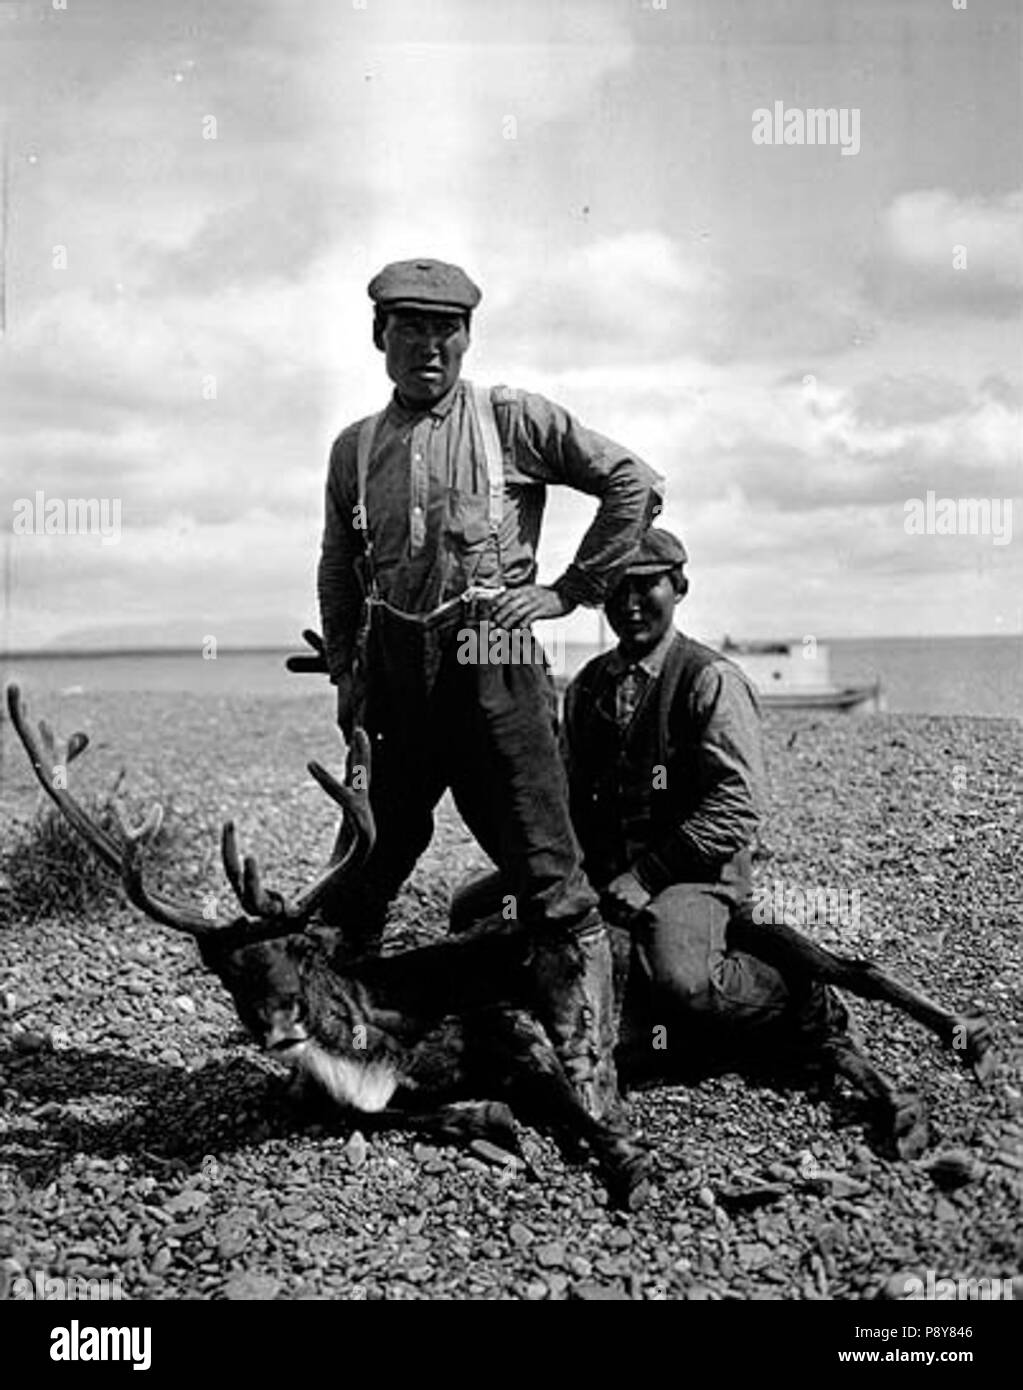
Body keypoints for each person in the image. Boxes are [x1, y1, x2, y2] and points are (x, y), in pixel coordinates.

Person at [315, 257, 663, 1121]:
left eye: (446, 331)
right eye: (410, 330)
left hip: (492, 656)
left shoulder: (509, 419)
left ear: (466, 338)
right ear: (379, 339)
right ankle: (332, 1047)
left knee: (548, 873)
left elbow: (634, 483)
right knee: (362, 867)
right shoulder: (355, 447)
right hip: (396, 672)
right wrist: (350, 675)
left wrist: (569, 592)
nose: (429, 348)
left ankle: (590, 1081)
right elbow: (337, 564)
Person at [452, 526, 833, 1073]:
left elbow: (737, 805)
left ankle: (800, 998)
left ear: (679, 588)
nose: (629, 604)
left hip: (691, 871)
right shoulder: (588, 685)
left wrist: (648, 876)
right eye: (616, 589)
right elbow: (566, 792)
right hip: (606, 865)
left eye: (646, 586)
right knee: (472, 911)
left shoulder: (711, 680)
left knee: (685, 983)